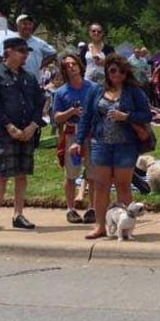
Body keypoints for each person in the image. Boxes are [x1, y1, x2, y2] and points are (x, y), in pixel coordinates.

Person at [69, 54, 152, 240]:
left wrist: (126, 116)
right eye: (113, 70)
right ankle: (100, 226)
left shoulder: (134, 91)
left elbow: (147, 115)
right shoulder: (96, 90)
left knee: (123, 186)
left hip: (126, 145)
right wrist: (78, 141)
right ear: (107, 70)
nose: (117, 74)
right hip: (100, 144)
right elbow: (86, 118)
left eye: (121, 71)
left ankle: (126, 227)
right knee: (101, 186)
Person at [0, 37, 46, 234]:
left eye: (26, 51)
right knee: (1, 174)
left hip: (27, 131)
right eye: (21, 51)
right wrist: (9, 126)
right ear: (8, 51)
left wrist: (34, 125)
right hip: (6, 131)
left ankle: (18, 214)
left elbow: (39, 101)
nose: (25, 54)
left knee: (21, 174)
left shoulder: (28, 77)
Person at [52, 52, 99, 224]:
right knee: (71, 173)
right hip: (72, 134)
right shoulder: (61, 92)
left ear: (80, 65)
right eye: (67, 66)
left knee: (93, 173)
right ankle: (70, 209)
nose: (71, 67)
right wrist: (71, 112)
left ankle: (92, 208)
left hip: (91, 135)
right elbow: (56, 117)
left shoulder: (93, 88)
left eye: (73, 64)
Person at [0, 14, 56, 81]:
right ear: (18, 26)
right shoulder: (8, 40)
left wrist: (41, 65)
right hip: (11, 81)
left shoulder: (39, 42)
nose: (27, 26)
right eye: (24, 24)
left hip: (32, 81)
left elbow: (53, 53)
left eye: (30, 24)